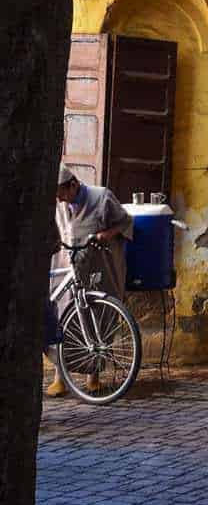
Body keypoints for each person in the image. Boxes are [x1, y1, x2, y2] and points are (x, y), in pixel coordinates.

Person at [46, 164, 133, 397]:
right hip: (69, 266)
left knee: (97, 319)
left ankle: (93, 376)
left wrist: (106, 235)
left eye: (63, 194)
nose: (62, 201)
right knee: (63, 319)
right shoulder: (59, 203)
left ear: (73, 185)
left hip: (99, 268)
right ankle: (60, 378)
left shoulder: (102, 197)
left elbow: (125, 222)